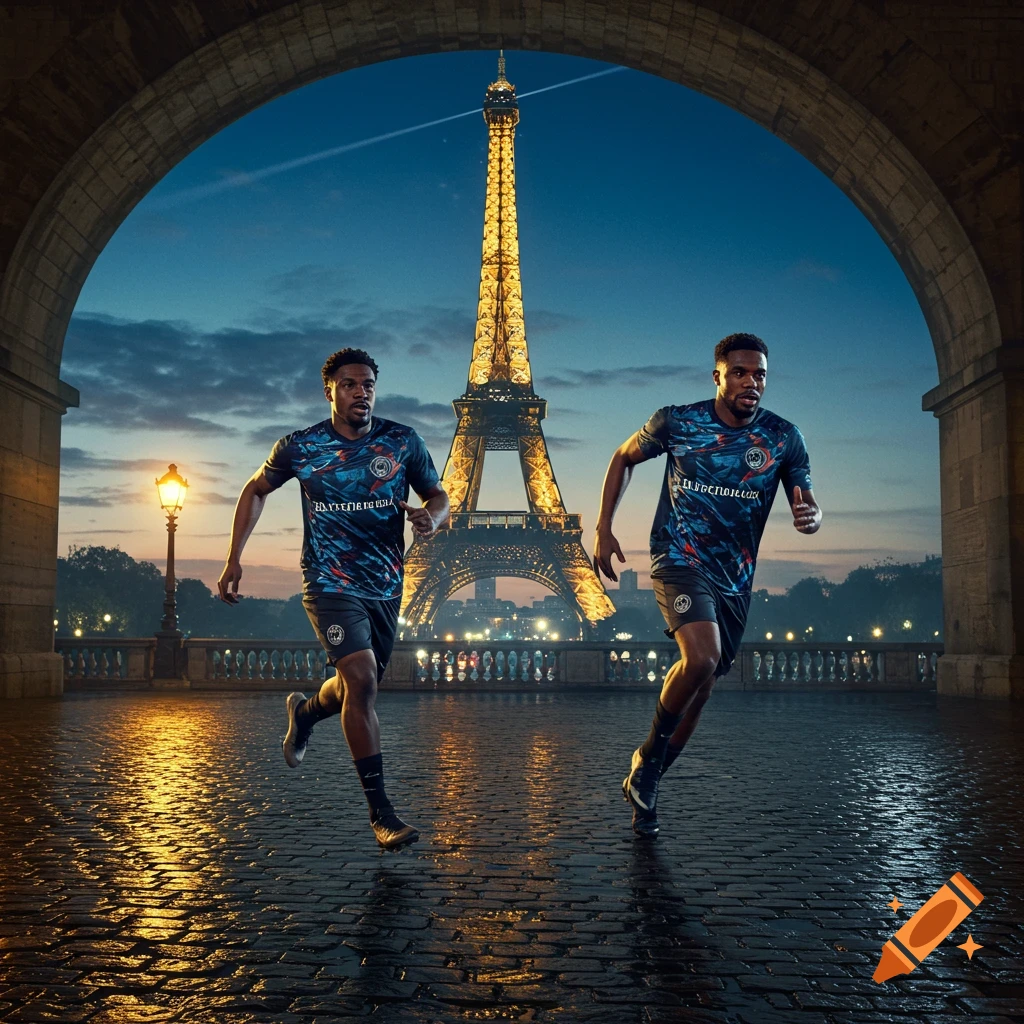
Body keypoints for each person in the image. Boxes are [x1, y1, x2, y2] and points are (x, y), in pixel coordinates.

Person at [218, 348, 449, 850]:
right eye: (349, 384)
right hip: (328, 583)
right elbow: (255, 490)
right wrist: (235, 555)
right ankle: (381, 812)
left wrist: (434, 518)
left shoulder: (403, 441)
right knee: (362, 679)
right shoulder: (300, 447)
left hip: (386, 586)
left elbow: (439, 495)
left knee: (354, 689)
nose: (360, 391)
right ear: (330, 390)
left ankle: (304, 714)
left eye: (367, 383)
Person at [593, 333, 821, 838]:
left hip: (734, 578)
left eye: (759, 374)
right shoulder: (677, 421)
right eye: (739, 372)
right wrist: (604, 527)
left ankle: (647, 779)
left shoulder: (784, 437)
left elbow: (806, 496)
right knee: (701, 658)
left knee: (703, 686)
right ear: (717, 375)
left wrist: (812, 515)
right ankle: (649, 758)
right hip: (678, 558)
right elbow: (622, 458)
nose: (751, 382)